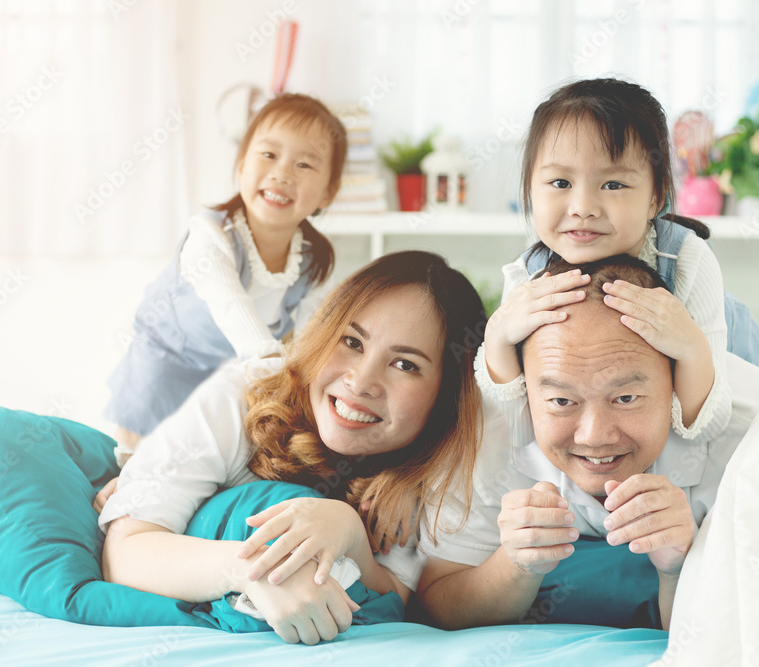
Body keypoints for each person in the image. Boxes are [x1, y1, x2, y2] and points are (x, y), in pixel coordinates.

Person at [97, 250, 487, 645]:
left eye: (405, 365)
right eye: (352, 341)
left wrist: (350, 531)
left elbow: (397, 598)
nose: (361, 381)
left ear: (445, 397)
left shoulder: (429, 473)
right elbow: (124, 554)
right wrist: (253, 572)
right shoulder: (240, 400)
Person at [416, 254, 759, 632]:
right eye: (561, 401)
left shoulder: (750, 447)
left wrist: (678, 569)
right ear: (524, 391)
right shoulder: (483, 436)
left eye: (625, 398)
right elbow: (435, 604)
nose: (594, 436)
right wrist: (515, 565)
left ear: (674, 382)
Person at [483, 78, 759, 461]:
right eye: (560, 182)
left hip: (727, 376)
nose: (583, 206)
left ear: (656, 197)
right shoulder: (526, 278)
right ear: (530, 192)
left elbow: (713, 426)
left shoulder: (686, 261)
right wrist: (498, 338)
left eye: (613, 184)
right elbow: (519, 431)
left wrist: (690, 349)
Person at [103, 93, 346, 465]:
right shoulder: (210, 235)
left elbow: (314, 334)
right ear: (242, 165)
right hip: (167, 363)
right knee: (132, 461)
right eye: (269, 155)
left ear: (328, 192)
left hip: (232, 375)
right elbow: (230, 304)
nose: (282, 173)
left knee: (203, 463)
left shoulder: (312, 259)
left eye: (304, 165)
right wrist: (270, 364)